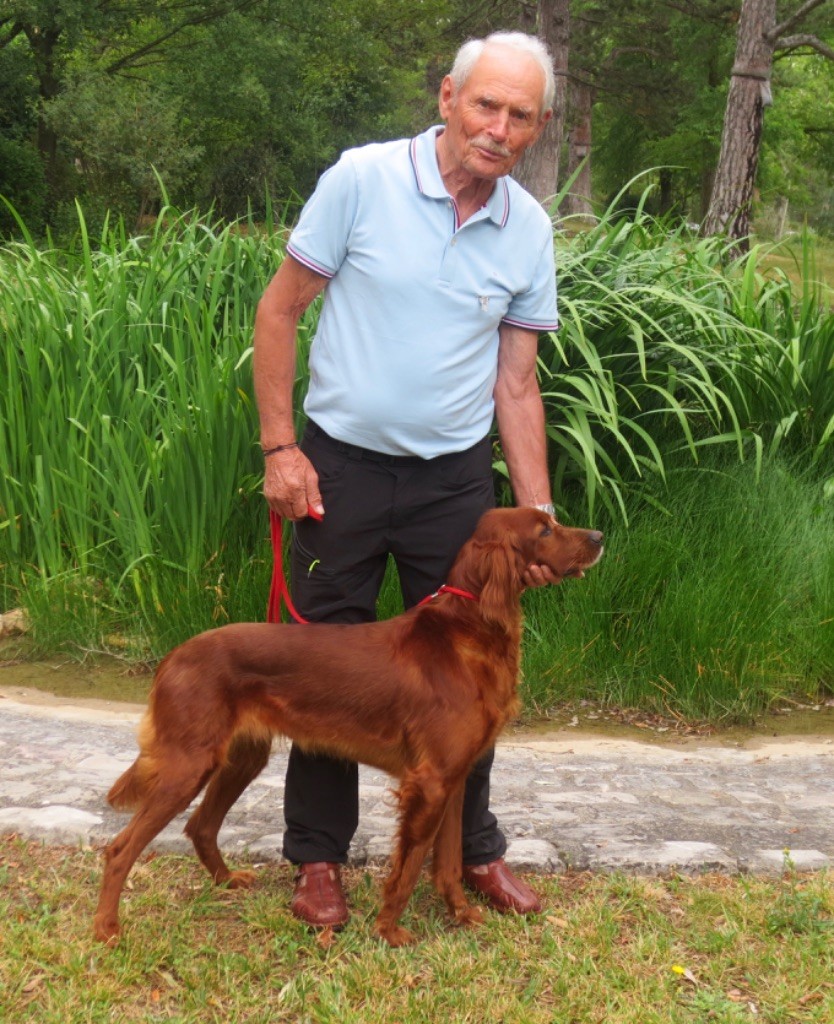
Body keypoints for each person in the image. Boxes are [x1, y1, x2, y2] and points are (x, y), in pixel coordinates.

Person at [253, 31, 559, 930]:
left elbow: (517, 382)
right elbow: (279, 310)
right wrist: (281, 448)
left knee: (470, 672)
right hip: (336, 468)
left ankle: (470, 854)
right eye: (486, 105)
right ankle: (317, 860)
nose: (499, 129)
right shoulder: (362, 180)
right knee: (327, 665)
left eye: (520, 116)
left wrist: (534, 513)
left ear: (536, 129)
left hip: (453, 486)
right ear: (447, 97)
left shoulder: (528, 229)